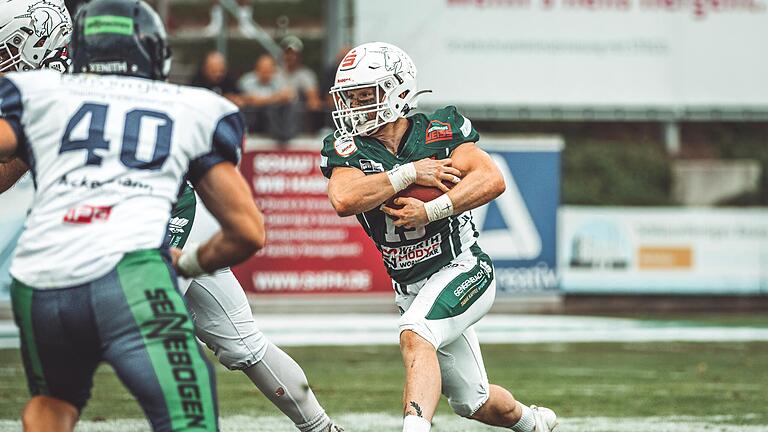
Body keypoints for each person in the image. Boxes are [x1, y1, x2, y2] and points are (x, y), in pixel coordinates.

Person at [0, 3, 343, 432]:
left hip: (157, 215)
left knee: (237, 344)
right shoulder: (62, 90)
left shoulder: (38, 94)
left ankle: (321, 427)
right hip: (116, 233)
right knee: (227, 357)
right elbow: (248, 229)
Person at [320, 42, 559, 432]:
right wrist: (410, 173)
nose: (354, 106)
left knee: (416, 333)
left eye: (365, 95)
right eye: (349, 96)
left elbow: (491, 178)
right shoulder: (346, 147)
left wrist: (432, 209)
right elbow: (345, 199)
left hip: (463, 266)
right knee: (475, 402)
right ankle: (533, 422)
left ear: (397, 90)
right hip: (410, 285)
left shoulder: (439, 130)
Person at [168, 182, 345, 432]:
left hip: (173, 208)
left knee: (147, 329)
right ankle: (322, 429)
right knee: (243, 343)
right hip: (173, 207)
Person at [238, 53, 296, 144]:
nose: (266, 73)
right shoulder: (247, 80)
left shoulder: (280, 79)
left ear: (273, 70)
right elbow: (249, 100)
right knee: (265, 108)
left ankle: (285, 136)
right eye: (263, 70)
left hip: (275, 120)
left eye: (269, 70)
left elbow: (290, 95)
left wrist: (264, 100)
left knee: (286, 107)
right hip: (254, 119)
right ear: (256, 69)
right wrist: (274, 98)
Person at [280, 35, 323, 132]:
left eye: (294, 54)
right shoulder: (275, 73)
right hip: (276, 119)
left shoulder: (306, 75)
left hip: (297, 121)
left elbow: (314, 100)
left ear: (299, 56)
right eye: (288, 53)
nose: (291, 57)